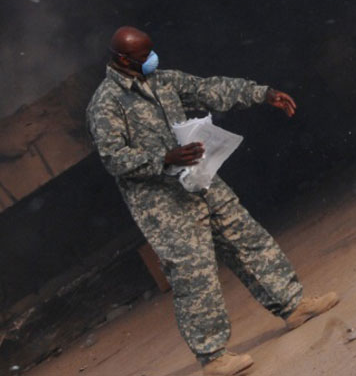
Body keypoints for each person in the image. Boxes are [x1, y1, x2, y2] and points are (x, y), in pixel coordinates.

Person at [85, 26, 339, 376]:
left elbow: (207, 89)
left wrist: (262, 94)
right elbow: (114, 159)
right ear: (122, 60)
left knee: (248, 240)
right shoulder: (106, 104)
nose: (153, 60)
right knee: (194, 276)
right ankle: (213, 357)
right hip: (162, 204)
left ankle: (292, 306)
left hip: (202, 182)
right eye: (145, 57)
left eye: (152, 52)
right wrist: (165, 158)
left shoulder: (162, 80)